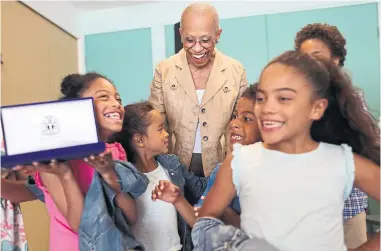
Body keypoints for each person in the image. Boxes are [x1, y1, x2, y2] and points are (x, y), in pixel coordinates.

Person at [196, 51, 380, 251]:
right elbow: (204, 223)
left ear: (316, 108)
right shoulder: (239, 161)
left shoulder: (341, 162)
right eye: (261, 98)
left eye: (283, 98)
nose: (267, 108)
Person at [14, 73, 137, 251]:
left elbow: (130, 217)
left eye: (118, 98)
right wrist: (65, 174)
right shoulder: (52, 160)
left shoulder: (115, 152)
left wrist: (109, 175)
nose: (117, 104)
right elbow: (81, 227)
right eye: (104, 96)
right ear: (77, 106)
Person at [149, 2, 248, 178]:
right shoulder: (164, 70)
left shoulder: (235, 70)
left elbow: (240, 124)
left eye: (205, 40)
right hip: (174, 165)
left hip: (222, 164)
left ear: (218, 35)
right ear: (180, 34)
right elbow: (156, 121)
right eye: (189, 40)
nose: (197, 48)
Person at [294, 23, 371, 249]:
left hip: (348, 209)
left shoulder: (353, 98)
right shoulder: (297, 98)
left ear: (336, 58)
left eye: (317, 56)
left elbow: (364, 149)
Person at [153, 84, 261, 229]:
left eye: (247, 119)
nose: (235, 123)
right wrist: (178, 200)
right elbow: (201, 223)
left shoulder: (274, 175)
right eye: (235, 116)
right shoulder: (221, 170)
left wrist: (231, 218)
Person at [114, 101, 207, 251]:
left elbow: (199, 188)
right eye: (160, 129)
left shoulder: (172, 164)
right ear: (139, 140)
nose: (166, 134)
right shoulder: (123, 177)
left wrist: (227, 170)